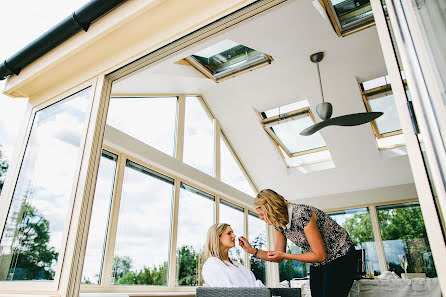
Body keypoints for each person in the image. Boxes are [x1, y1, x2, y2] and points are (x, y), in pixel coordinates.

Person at [238, 189, 356, 297]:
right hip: (319, 261)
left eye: (262, 214)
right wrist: (252, 251)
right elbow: (278, 256)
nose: (261, 218)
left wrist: (285, 255)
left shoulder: (301, 214)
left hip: (342, 254)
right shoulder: (278, 224)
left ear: (272, 210)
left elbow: (320, 255)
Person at [201, 223, 265, 287]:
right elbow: (229, 291)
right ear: (218, 238)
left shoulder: (235, 264)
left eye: (233, 233)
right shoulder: (212, 264)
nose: (234, 235)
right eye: (229, 233)